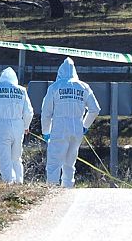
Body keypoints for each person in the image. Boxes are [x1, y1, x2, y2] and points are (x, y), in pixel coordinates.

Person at [41, 57, 100, 188]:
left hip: (59, 130)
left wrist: (46, 131)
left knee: (54, 164)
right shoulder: (84, 87)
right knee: (69, 164)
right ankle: (68, 190)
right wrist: (85, 125)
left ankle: (52, 192)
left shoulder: (54, 87)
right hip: (77, 130)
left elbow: (46, 113)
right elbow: (95, 109)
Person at [0, 67, 33, 184]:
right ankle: (19, 182)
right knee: (16, 158)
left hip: (1, 126)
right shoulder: (22, 90)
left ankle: (9, 183)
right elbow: (29, 112)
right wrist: (26, 126)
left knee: (4, 159)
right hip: (18, 125)